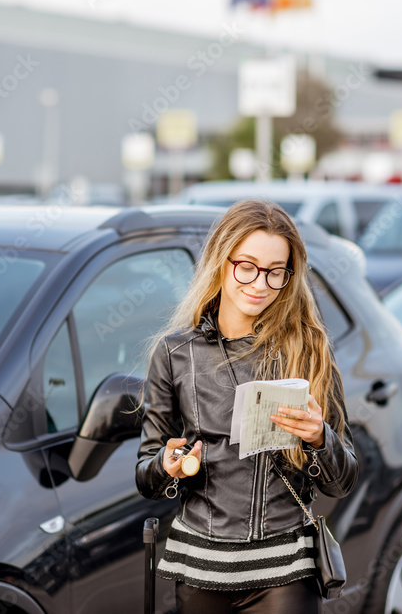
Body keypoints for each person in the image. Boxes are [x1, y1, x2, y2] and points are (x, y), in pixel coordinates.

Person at [135, 199, 359, 614]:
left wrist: (318, 437)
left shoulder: (307, 350)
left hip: (285, 570)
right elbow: (146, 477)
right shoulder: (175, 354)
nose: (260, 284)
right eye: (248, 266)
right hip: (201, 568)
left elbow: (341, 482)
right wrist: (167, 464)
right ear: (222, 261)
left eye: (276, 272)